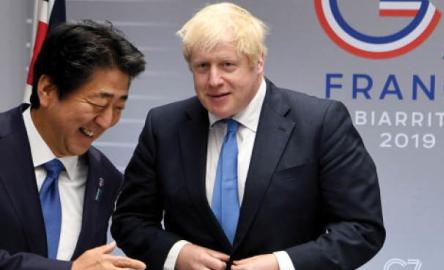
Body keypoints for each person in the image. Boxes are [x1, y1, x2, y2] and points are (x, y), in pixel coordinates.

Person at [111, 2, 385, 270]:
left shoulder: (320, 122)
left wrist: (282, 264)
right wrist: (177, 254)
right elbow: (130, 219)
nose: (214, 80)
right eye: (202, 66)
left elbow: (361, 228)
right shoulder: (164, 126)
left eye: (228, 64)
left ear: (258, 62)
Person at [0, 21, 147, 270]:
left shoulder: (106, 178)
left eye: (119, 108)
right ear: (47, 89)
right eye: (99, 103)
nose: (107, 121)